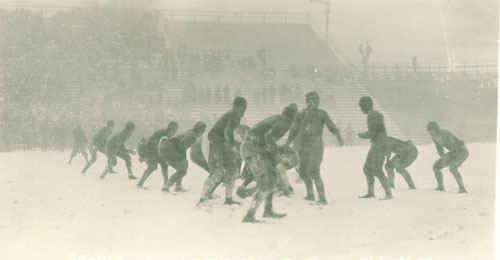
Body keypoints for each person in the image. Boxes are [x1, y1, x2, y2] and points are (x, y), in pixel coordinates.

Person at [241, 103, 298, 222]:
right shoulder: (285, 121)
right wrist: (274, 150)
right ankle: (249, 215)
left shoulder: (278, 118)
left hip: (254, 147)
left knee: (272, 179)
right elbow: (269, 136)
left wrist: (272, 150)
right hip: (254, 148)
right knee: (266, 182)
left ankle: (268, 210)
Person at [285, 92, 343, 205]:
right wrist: (288, 142)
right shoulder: (301, 114)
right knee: (303, 172)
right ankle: (310, 194)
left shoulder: (322, 114)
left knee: (314, 171)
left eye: (318, 101)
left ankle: (322, 198)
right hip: (304, 146)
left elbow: (331, 126)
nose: (317, 104)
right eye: (315, 101)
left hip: (316, 146)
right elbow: (294, 129)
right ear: (309, 102)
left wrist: (338, 136)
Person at [197, 97, 247, 206]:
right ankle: (202, 198)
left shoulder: (233, 113)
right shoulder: (236, 113)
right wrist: (232, 146)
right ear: (242, 107)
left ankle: (228, 198)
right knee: (217, 172)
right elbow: (228, 132)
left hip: (221, 142)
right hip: (215, 142)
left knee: (233, 170)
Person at [357, 96, 393, 200]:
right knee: (367, 169)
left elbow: (371, 133)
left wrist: (361, 135)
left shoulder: (373, 116)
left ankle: (389, 194)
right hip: (377, 143)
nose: (361, 109)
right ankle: (371, 193)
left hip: (379, 144)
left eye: (361, 107)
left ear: (365, 106)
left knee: (377, 170)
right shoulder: (375, 114)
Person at [159, 121, 207, 192]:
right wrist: (183, 159)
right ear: (200, 131)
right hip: (168, 148)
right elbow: (182, 146)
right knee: (182, 170)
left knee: (182, 167)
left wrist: (183, 160)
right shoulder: (192, 136)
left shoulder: (190, 132)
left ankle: (178, 187)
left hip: (165, 147)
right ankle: (166, 187)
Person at [427, 121, 468, 193]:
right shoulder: (434, 137)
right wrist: (443, 157)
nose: (429, 133)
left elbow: (455, 146)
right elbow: (439, 148)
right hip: (453, 152)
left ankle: (462, 188)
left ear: (435, 130)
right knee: (436, 166)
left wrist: (449, 159)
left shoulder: (445, 134)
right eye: (428, 132)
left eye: (430, 131)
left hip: (461, 151)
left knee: (452, 168)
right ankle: (440, 187)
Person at [136, 121, 179, 190]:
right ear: (173, 129)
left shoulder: (167, 135)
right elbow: (149, 144)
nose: (175, 132)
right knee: (153, 166)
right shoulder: (162, 134)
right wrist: (142, 155)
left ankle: (166, 183)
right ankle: (139, 184)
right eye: (175, 130)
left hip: (153, 151)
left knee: (164, 164)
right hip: (147, 150)